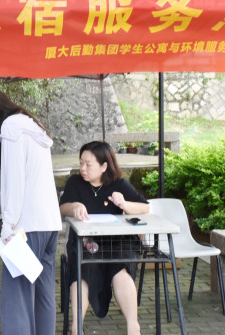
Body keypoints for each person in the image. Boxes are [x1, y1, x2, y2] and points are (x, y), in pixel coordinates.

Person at [0, 89, 62, 335]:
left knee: (17, 299)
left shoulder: (11, 128)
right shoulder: (32, 126)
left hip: (26, 227)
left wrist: (8, 226)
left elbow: (15, 182)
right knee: (44, 294)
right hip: (49, 223)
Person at [59, 141, 149, 335]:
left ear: (104, 166)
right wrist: (74, 206)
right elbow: (63, 207)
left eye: (88, 164)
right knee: (83, 270)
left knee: (121, 270)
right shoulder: (75, 182)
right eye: (81, 163)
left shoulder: (119, 184)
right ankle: (76, 327)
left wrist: (125, 204)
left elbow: (145, 207)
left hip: (118, 242)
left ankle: (133, 326)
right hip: (86, 243)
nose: (83, 168)